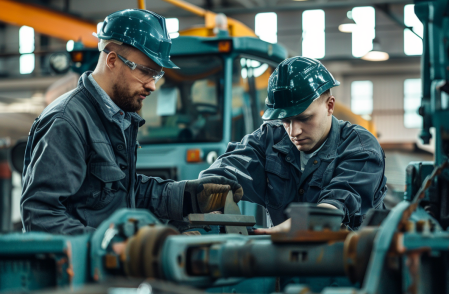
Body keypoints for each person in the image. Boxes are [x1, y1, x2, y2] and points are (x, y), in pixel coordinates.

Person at [20, 9, 242, 235]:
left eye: (156, 75)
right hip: (79, 268)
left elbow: (124, 191)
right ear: (112, 60)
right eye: (146, 72)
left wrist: (186, 196)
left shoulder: (119, 117)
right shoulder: (67, 121)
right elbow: (40, 215)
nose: (152, 86)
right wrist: (116, 249)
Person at [200, 56, 387, 233]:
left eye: (304, 118)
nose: (293, 132)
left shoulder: (360, 147)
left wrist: (293, 228)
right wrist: (210, 201)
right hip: (281, 260)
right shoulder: (269, 140)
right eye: (286, 121)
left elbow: (337, 203)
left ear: (330, 106)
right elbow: (226, 170)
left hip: (354, 262)